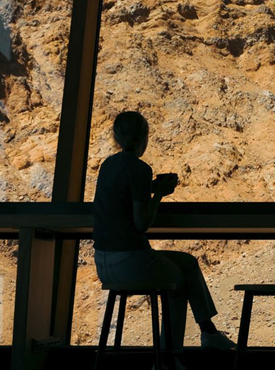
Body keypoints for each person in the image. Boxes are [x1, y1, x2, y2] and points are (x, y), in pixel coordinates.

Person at [93, 111, 235, 369]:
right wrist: (158, 194)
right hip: (130, 260)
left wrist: (150, 188)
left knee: (188, 263)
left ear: (116, 137)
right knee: (177, 282)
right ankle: (169, 358)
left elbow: (122, 194)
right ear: (144, 138)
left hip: (104, 262)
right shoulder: (139, 168)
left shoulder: (107, 166)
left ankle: (208, 330)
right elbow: (141, 223)